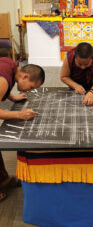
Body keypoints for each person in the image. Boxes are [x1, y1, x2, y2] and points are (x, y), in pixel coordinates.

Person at [0, 57, 45, 201]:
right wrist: (19, 114)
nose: (30, 90)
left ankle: (3, 180)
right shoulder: (3, 81)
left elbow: (4, 87)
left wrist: (12, 97)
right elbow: (2, 84)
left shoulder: (11, 66)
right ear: (25, 76)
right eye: (31, 87)